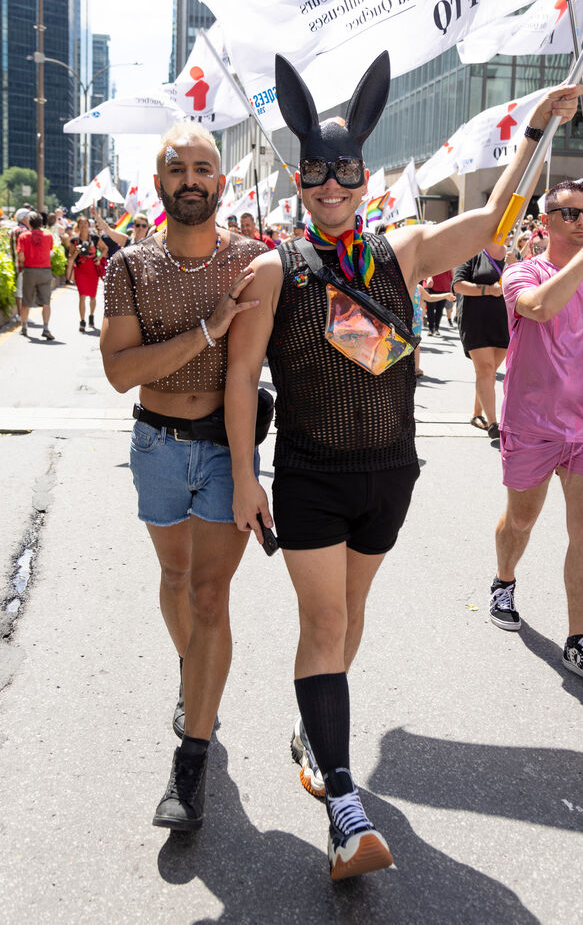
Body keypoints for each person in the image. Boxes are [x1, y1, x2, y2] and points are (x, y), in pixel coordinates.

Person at [224, 52, 581, 880]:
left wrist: (537, 127)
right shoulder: (276, 268)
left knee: (349, 616)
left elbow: (490, 222)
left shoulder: (400, 251)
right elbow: (242, 378)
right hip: (310, 474)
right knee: (323, 624)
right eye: (317, 172)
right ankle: (344, 810)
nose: (332, 186)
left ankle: (315, 730)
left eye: (345, 171)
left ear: (363, 175)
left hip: (389, 473)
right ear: (300, 178)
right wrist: (246, 475)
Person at [100, 121, 267, 834]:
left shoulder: (254, 260)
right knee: (174, 579)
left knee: (208, 593)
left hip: (227, 449)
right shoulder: (129, 266)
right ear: (159, 181)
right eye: (178, 168)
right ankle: (192, 675)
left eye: (203, 168)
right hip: (156, 447)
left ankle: (190, 760)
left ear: (221, 182)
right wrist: (206, 330)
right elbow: (120, 372)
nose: (191, 180)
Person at [488, 180, 583, 678]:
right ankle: (504, 580)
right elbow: (541, 307)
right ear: (546, 221)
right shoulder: (522, 272)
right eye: (571, 213)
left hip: (582, 426)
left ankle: (578, 639)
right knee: (521, 521)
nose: (581, 221)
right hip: (533, 423)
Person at [452, 242, 509, 438]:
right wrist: (489, 290)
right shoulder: (471, 251)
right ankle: (493, 423)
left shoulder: (512, 255)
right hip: (475, 321)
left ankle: (477, 414)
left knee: (489, 373)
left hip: (503, 323)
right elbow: (458, 285)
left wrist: (516, 267)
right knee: (485, 369)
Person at [65, 216, 108, 332]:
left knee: (93, 296)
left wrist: (99, 258)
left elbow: (105, 248)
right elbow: (70, 257)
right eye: (81, 223)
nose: (84, 225)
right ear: (78, 226)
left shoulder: (94, 238)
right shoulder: (74, 240)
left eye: (85, 223)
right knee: (82, 296)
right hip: (80, 270)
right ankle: (82, 320)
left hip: (92, 269)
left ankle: (91, 316)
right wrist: (76, 252)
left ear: (89, 225)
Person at [17, 212, 55, 340]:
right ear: (41, 223)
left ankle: (24, 327)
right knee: (46, 302)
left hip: (30, 271)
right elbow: (50, 252)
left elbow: (21, 256)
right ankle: (46, 328)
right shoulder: (48, 236)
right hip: (45, 270)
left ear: (29, 223)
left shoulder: (23, 236)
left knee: (26, 301)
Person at [10, 208, 31, 320]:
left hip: (16, 263)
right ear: (24, 219)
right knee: (23, 291)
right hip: (24, 264)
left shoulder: (14, 229)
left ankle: (20, 314)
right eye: (28, 217)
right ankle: (22, 315)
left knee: (19, 290)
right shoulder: (24, 231)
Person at [420, 271, 456, 336]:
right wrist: (429, 276)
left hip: (444, 285)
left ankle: (436, 328)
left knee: (439, 309)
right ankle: (431, 328)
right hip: (430, 285)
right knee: (430, 308)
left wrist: (455, 284)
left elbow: (452, 272)